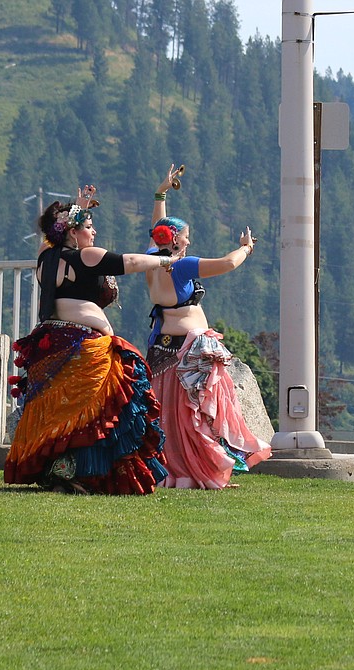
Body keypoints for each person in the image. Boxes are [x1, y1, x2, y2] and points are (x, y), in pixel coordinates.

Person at [4, 185, 174, 495]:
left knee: (61, 411)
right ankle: (80, 472)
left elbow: (51, 236)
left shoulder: (44, 256)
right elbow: (131, 263)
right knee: (89, 413)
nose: (94, 232)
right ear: (72, 232)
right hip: (84, 345)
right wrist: (164, 260)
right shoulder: (86, 256)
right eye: (89, 226)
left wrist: (78, 209)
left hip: (50, 341)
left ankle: (63, 472)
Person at [142, 164, 271, 488]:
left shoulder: (151, 259)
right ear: (175, 241)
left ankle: (175, 471)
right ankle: (201, 470)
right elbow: (227, 263)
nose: (188, 242)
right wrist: (246, 247)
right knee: (198, 412)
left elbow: (158, 226)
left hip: (162, 347)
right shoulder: (181, 265)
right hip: (190, 347)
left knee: (170, 414)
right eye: (185, 237)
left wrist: (161, 192)